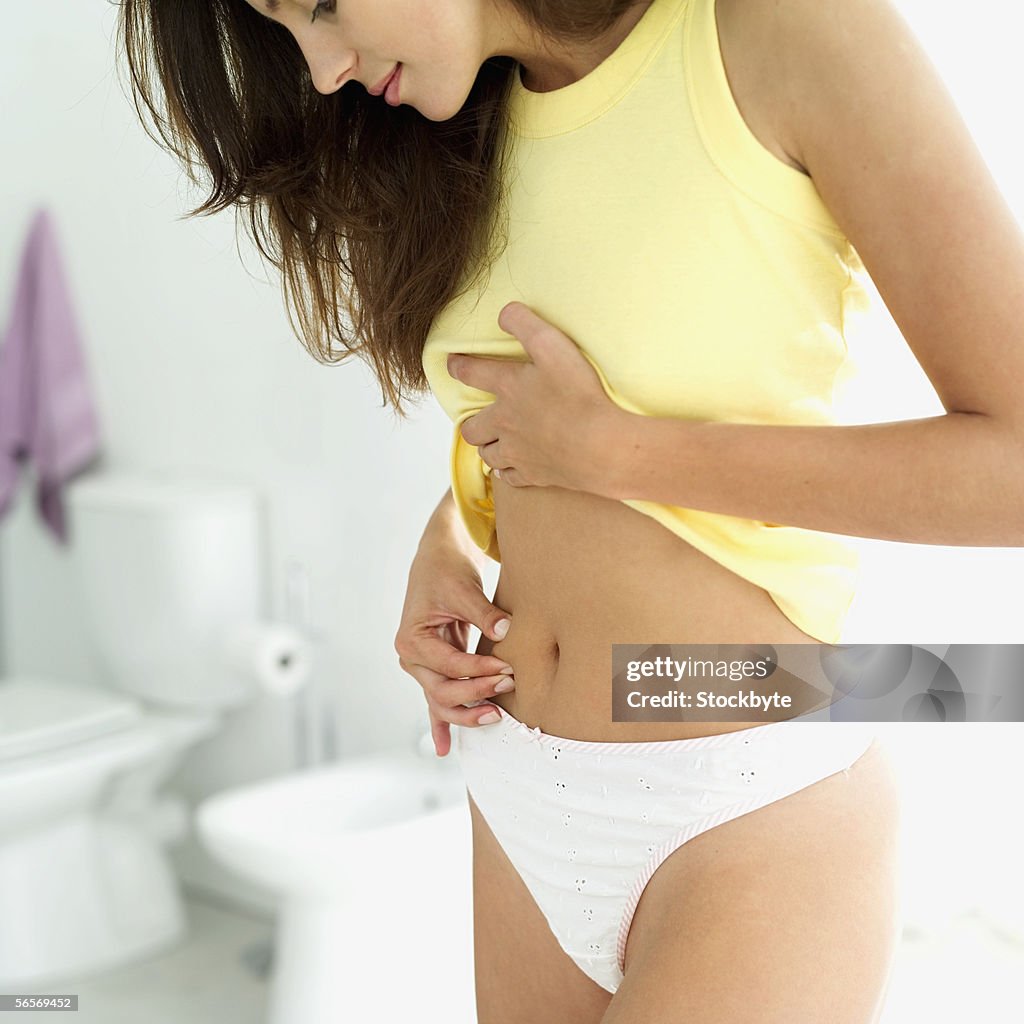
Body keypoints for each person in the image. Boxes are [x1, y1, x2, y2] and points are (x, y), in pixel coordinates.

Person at [115, 0, 1024, 1019]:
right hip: (519, 784)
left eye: (322, 6)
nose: (321, 67)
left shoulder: (778, 32)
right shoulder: (457, 122)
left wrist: (625, 455)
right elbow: (528, 419)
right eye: (287, 32)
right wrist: (452, 529)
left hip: (746, 784)